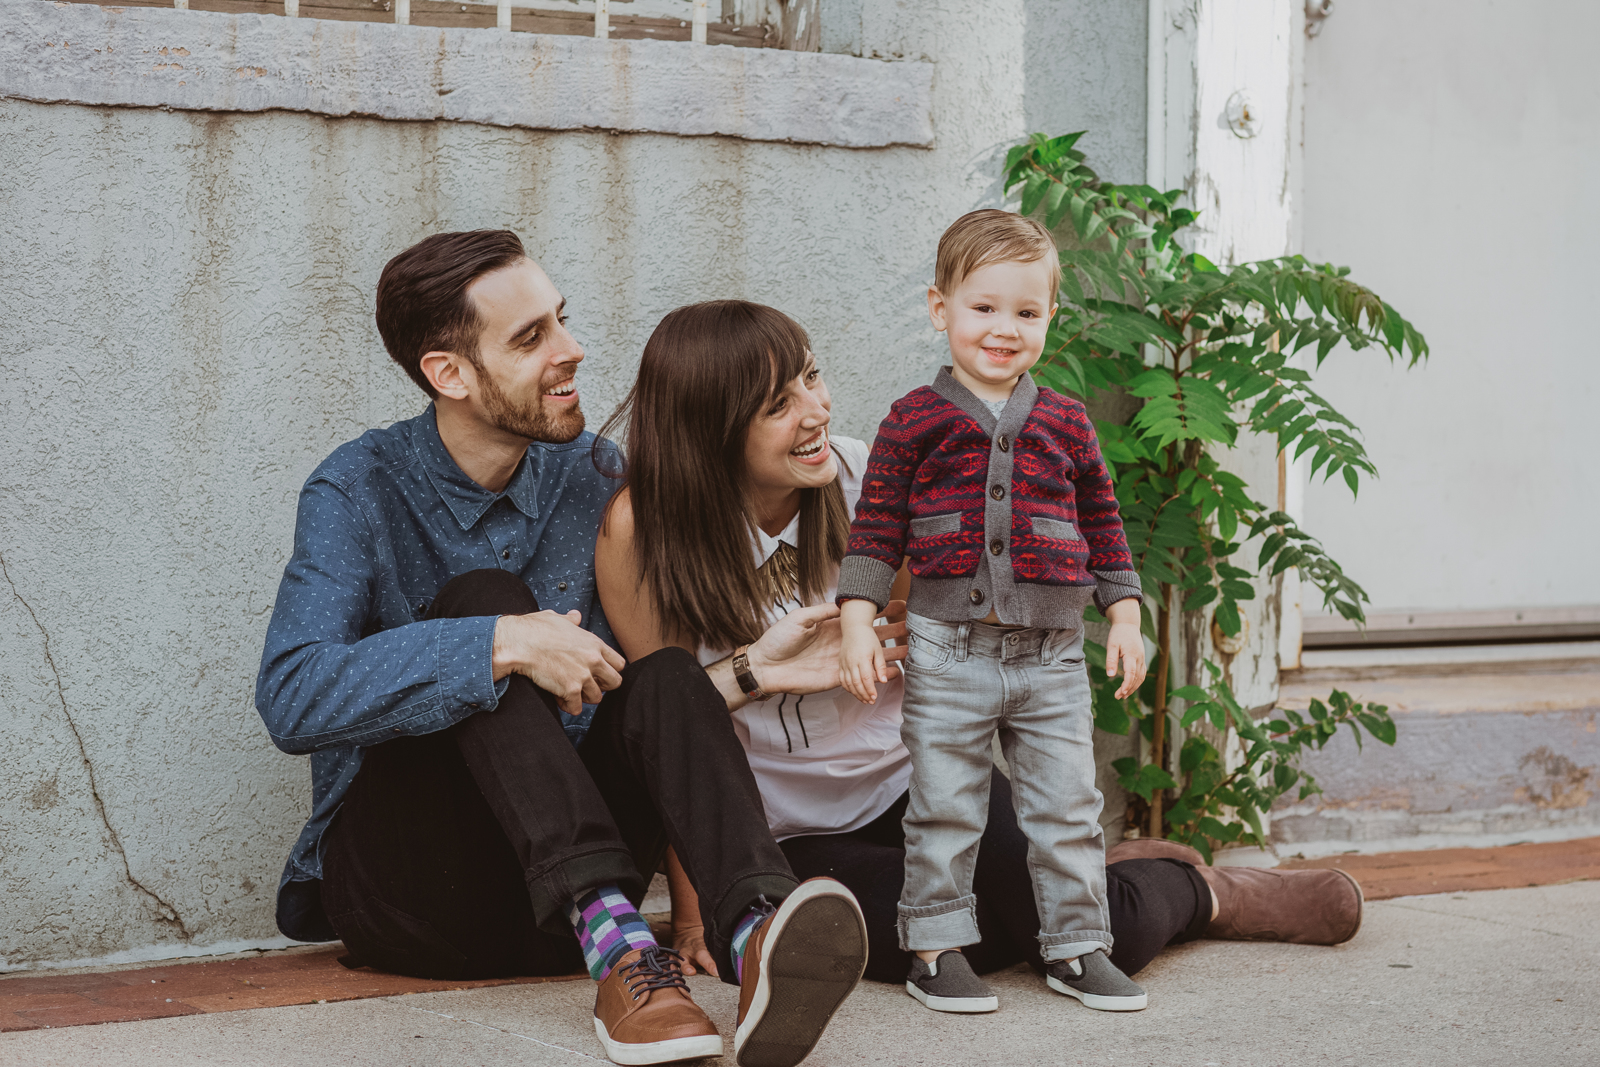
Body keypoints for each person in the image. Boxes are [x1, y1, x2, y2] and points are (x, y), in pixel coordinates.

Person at [594, 298, 1366, 1015]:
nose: (817, 410)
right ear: (709, 432)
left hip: (918, 779)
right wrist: (696, 911)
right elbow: (675, 736)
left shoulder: (870, 481)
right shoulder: (641, 534)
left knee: (1095, 936)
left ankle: (1203, 891)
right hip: (788, 830)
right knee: (922, 944)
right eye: (779, 404)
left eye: (811, 375)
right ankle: (1097, 872)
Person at [254, 230, 876, 1067]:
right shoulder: (358, 487)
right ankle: (622, 951)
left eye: (562, 321)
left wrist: (754, 669)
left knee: (662, 674)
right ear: (450, 374)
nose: (572, 350)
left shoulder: (595, 474)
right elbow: (291, 694)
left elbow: (643, 704)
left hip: (561, 906)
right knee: (485, 604)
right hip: (419, 897)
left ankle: (756, 932)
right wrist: (499, 643)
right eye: (531, 337)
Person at [835, 208, 1146, 1013]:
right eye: (983, 308)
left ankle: (1079, 946)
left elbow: (1103, 524)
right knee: (945, 807)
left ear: (1050, 317)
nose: (1004, 328)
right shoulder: (914, 417)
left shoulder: (1067, 421)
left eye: (1027, 311)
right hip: (948, 650)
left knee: (1069, 806)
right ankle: (936, 949)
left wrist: (1125, 614)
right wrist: (857, 617)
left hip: (1050, 658)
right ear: (940, 308)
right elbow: (876, 526)